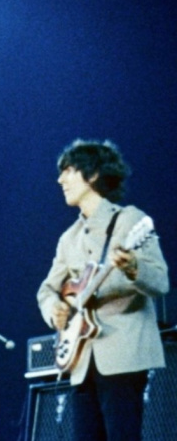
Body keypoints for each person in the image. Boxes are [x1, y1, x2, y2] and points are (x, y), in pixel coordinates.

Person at [37, 139, 169, 441]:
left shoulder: (130, 221)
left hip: (123, 354)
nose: (60, 180)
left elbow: (160, 281)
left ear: (93, 174)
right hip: (81, 361)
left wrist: (133, 266)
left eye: (68, 170)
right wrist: (53, 309)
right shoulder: (67, 239)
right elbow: (46, 290)